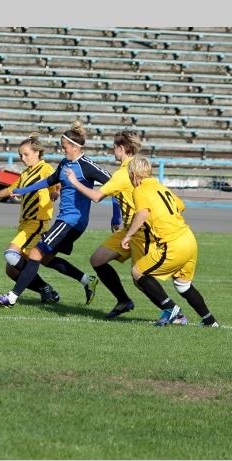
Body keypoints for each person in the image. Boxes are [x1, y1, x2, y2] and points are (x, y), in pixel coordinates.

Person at [0, 121, 122, 308]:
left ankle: (11, 297)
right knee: (45, 258)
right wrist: (23, 190)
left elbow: (115, 187)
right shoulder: (65, 163)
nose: (62, 149)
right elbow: (49, 181)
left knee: (35, 252)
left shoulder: (87, 166)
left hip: (72, 221)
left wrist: (116, 217)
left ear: (75, 147)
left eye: (64, 146)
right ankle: (86, 280)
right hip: (64, 220)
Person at [62, 129, 154, 319]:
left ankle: (172, 310)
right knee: (98, 259)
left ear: (121, 148)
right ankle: (123, 301)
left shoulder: (125, 172)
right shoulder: (133, 169)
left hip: (140, 229)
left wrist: (74, 182)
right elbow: (118, 195)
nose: (113, 150)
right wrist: (116, 217)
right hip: (128, 228)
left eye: (114, 147)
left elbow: (97, 196)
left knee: (140, 278)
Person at [121, 157, 219, 327]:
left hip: (173, 243)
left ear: (134, 174)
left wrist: (128, 235)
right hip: (189, 238)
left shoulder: (140, 189)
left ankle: (171, 309)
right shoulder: (161, 186)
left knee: (138, 272)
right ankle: (210, 321)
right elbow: (180, 206)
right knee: (183, 285)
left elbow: (142, 213)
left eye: (130, 174)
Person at [0, 133, 61, 303]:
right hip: (25, 223)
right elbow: (10, 190)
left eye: (26, 154)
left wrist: (56, 192)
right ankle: (46, 289)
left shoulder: (45, 168)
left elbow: (57, 181)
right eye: (20, 155)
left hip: (37, 222)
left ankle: (14, 296)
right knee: (12, 270)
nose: (22, 158)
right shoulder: (26, 173)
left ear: (37, 152)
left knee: (11, 254)